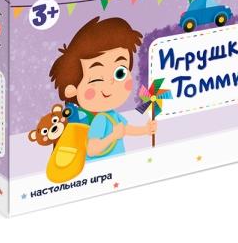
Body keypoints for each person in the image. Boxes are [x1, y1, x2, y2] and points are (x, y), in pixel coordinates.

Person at [49, 16, 157, 161]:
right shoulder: (100, 119)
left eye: (120, 73)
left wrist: (145, 130)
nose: (110, 84)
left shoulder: (112, 114)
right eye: (96, 79)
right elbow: (92, 150)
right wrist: (113, 136)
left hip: (117, 165)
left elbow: (125, 128)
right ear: (72, 89)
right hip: (99, 169)